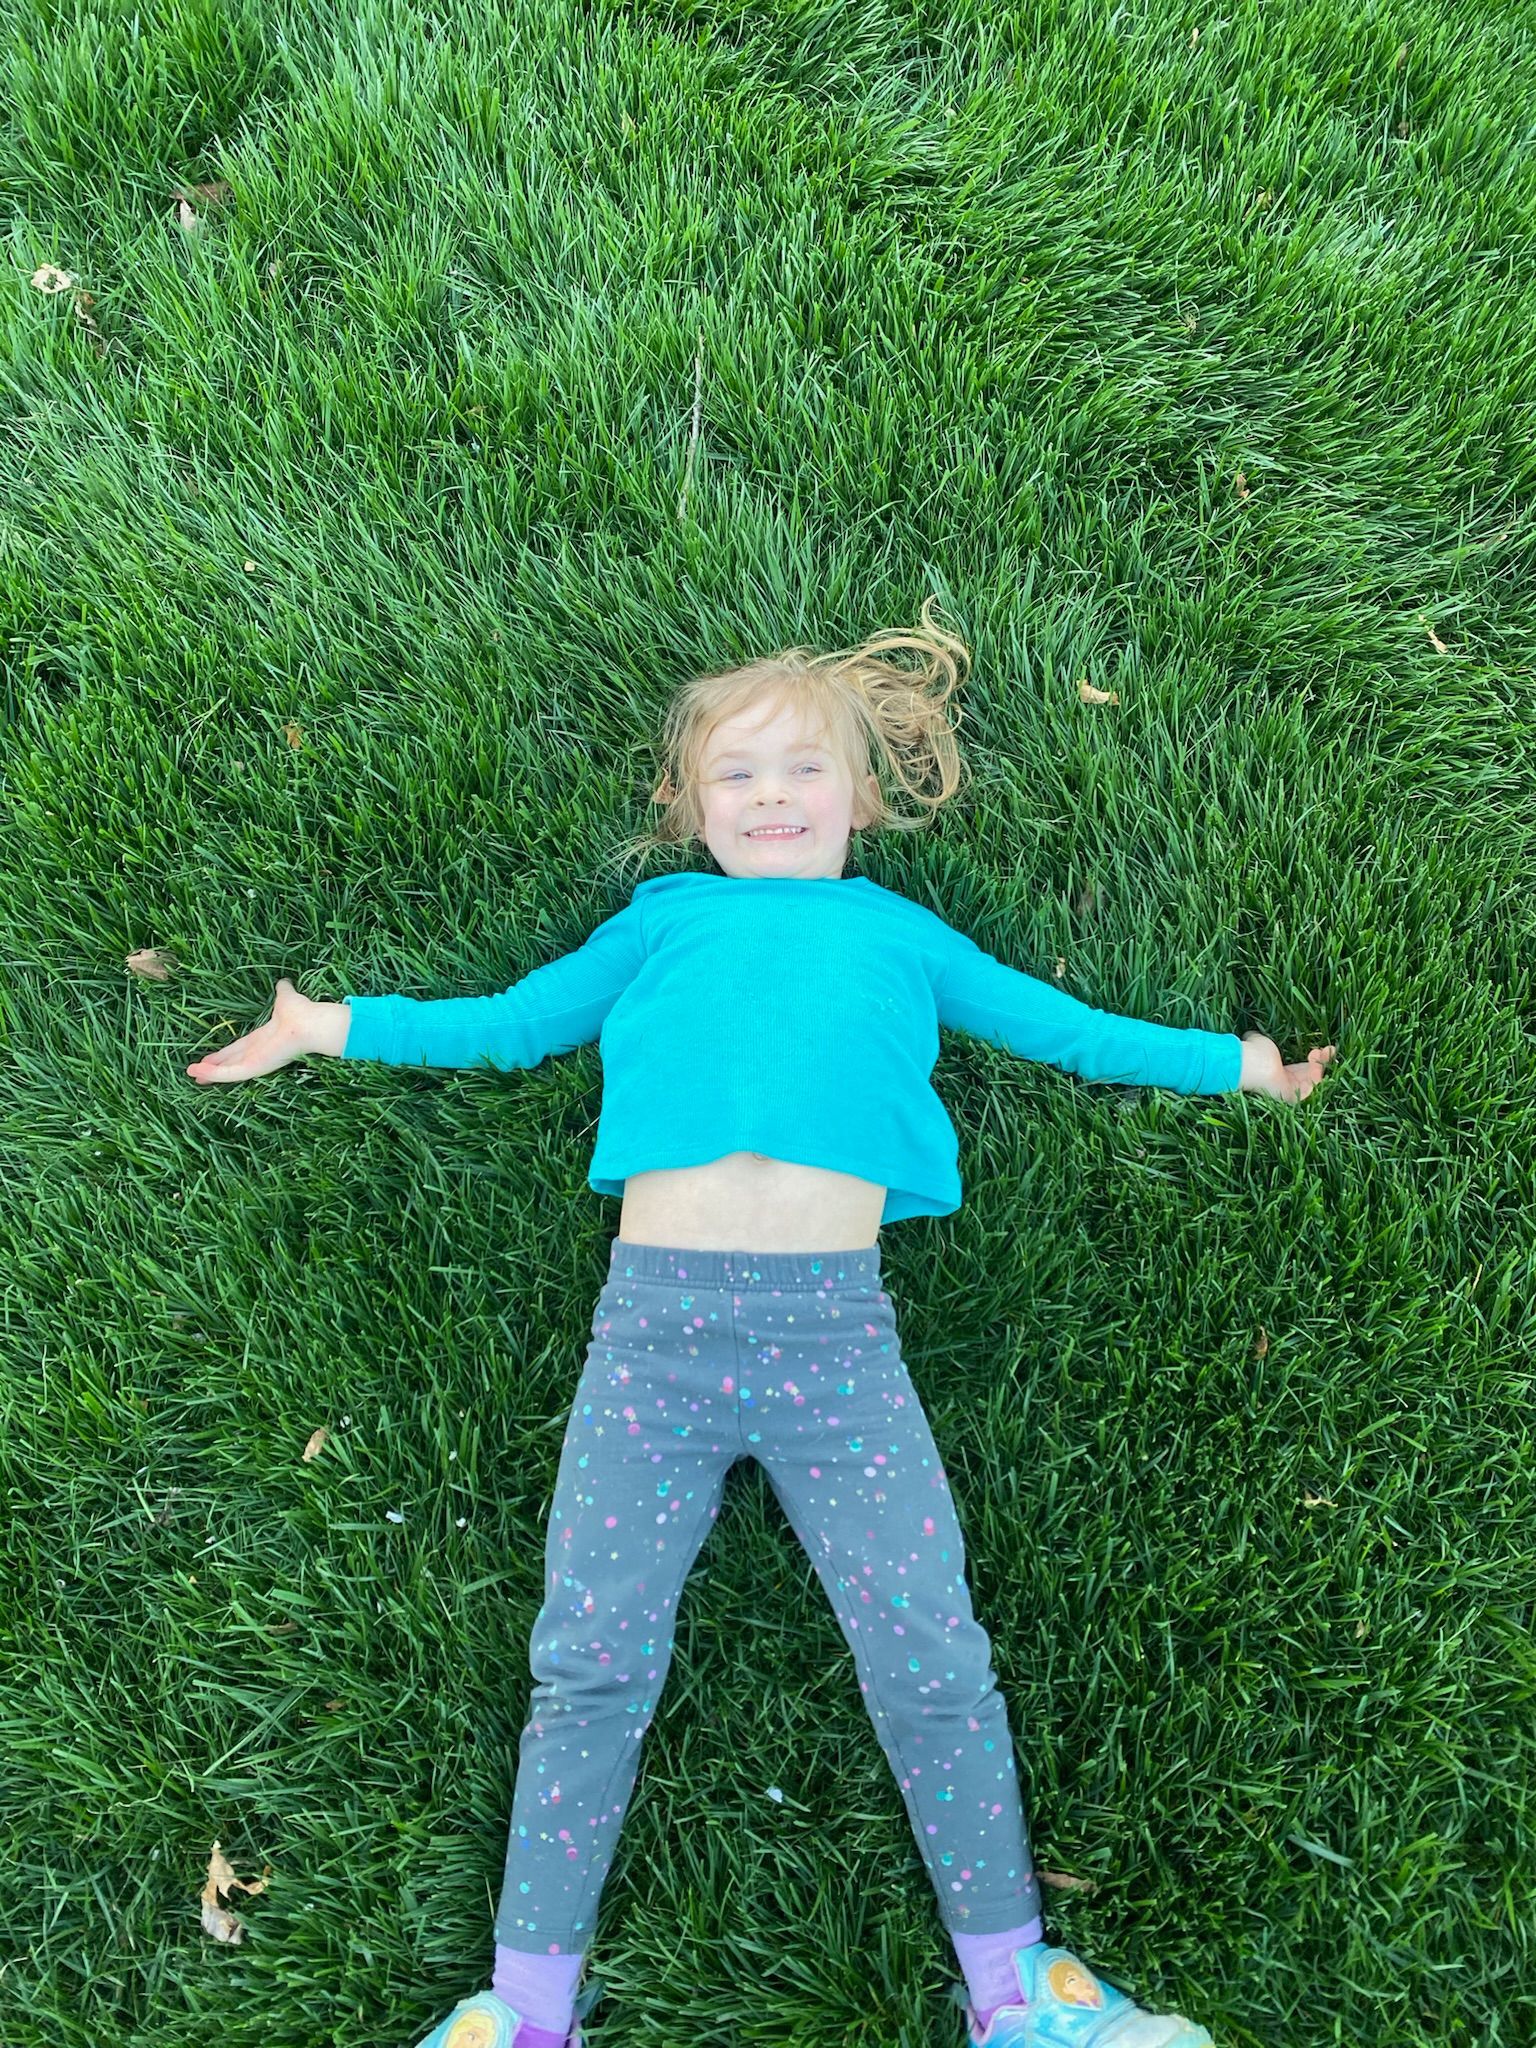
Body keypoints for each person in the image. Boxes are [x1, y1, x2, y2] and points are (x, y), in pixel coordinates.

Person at [186, 599, 1335, 2048]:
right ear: (688, 804)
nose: (772, 795)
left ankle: (1017, 1994)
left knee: (933, 1657)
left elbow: (1066, 1025)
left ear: (862, 794)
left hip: (836, 1351)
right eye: (736, 773)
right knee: (588, 1663)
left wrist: (1240, 1065)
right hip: (650, 1347)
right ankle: (525, 2007)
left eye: (804, 769)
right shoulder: (658, 925)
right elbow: (511, 1021)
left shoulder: (901, 936)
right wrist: (330, 1025)